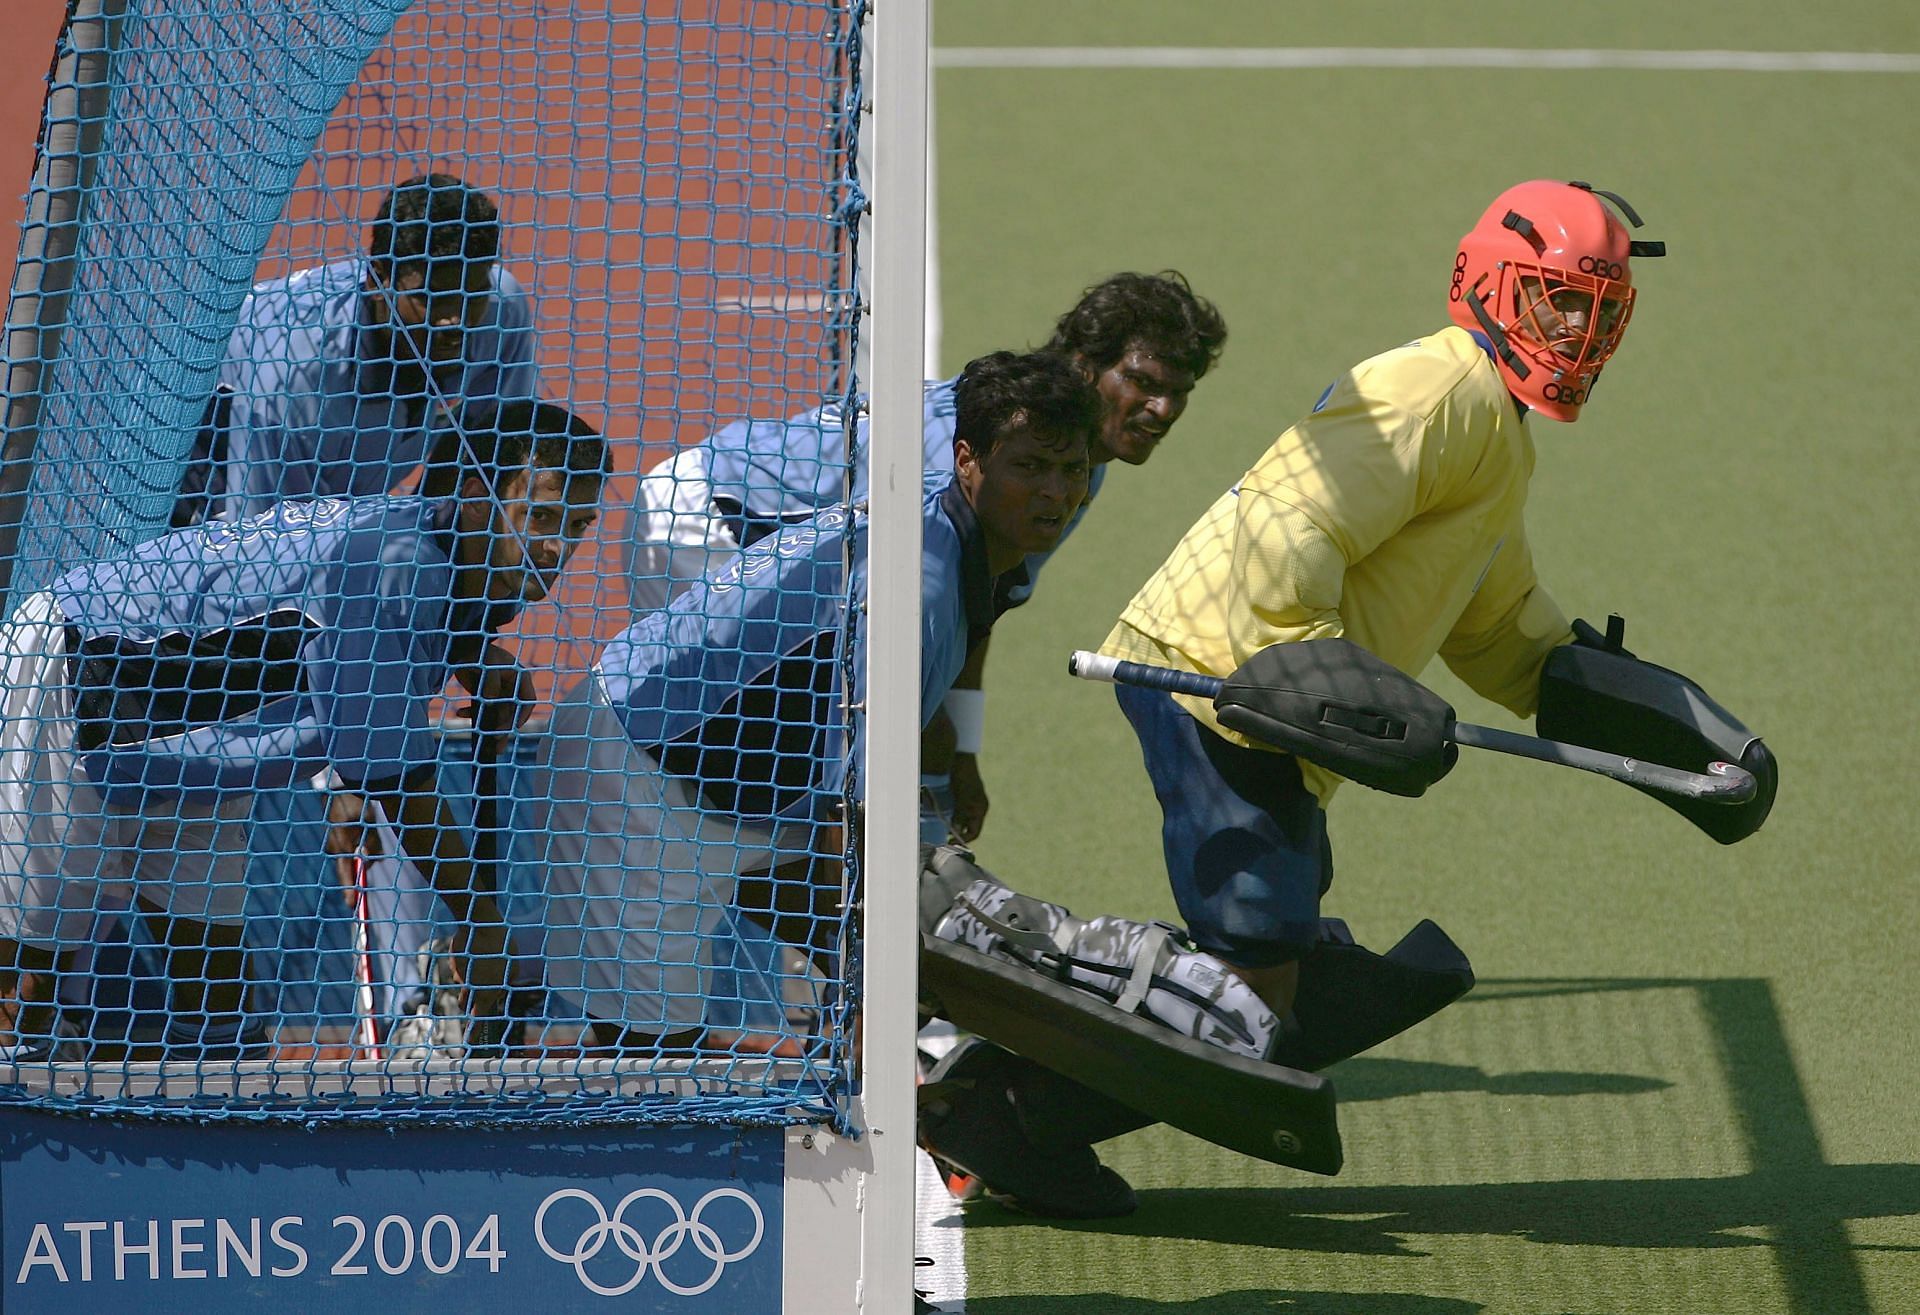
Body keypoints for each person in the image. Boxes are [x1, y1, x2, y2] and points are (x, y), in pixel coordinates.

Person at [924, 179, 1667, 1217]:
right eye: (1558, 301)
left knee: (1281, 990)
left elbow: (1495, 622)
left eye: (1597, 311)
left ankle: (1005, 1107)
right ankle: (997, 1098)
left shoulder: (1496, 435)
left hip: (1270, 702)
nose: (1578, 331)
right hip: (1226, 682)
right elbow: (1295, 520)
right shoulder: (1437, 389)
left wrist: (1644, 717)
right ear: (1492, 287)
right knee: (1251, 1012)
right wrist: (1295, 660)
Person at [509, 350, 1096, 1055]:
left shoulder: (956, 546)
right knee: (649, 1054)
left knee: (915, 960)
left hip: (745, 794)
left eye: (1072, 472)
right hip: (634, 786)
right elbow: (851, 813)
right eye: (1029, 467)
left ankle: (900, 1082)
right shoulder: (919, 581)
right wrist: (867, 991)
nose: (1055, 493)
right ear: (967, 461)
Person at [0, 399, 607, 1059]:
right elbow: (398, 782)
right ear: (474, 495)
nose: (558, 548)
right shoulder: (392, 563)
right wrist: (482, 923)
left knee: (217, 1005)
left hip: (203, 728)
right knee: (26, 980)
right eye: (540, 516)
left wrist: (475, 657)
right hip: (79, 678)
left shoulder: (444, 542)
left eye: (576, 524)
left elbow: (366, 621)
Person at [622, 272, 1227, 844]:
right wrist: (930, 740)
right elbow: (877, 607)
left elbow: (981, 597)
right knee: (760, 760)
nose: (1164, 410)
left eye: (1181, 392)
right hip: (706, 523)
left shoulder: (1062, 461)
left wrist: (961, 748)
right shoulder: (975, 460)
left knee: (819, 760)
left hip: (784, 545)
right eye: (1143, 382)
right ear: (1083, 364)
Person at [175, 173, 540, 527]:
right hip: (201, 512)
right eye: (431, 298)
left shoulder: (500, 312)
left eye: (471, 293)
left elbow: (482, 449)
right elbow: (267, 551)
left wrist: (433, 540)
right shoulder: (300, 374)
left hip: (325, 492)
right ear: (378, 278)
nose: (453, 320)